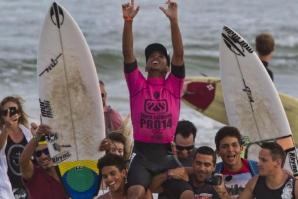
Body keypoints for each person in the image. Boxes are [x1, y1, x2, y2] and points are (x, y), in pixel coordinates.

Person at [122, 0, 194, 198]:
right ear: (145, 66)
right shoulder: (137, 85)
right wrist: (128, 20)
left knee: (187, 195)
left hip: (166, 155)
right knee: (135, 192)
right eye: (152, 55)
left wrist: (174, 21)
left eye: (161, 56)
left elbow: (179, 53)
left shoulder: (174, 85)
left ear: (168, 67)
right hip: (142, 154)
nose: (156, 56)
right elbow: (128, 54)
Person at [214, 142, 298, 199]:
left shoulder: (295, 185)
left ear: (277, 163)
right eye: (259, 159)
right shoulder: (255, 182)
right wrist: (222, 191)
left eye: (264, 160)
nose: (258, 164)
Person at [19, 124, 69, 199]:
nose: (43, 156)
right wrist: (37, 135)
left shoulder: (67, 172)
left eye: (47, 151)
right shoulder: (34, 176)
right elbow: (23, 162)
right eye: (38, 153)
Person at [0, 95, 35, 199]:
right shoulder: (2, 133)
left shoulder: (27, 133)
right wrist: (7, 128)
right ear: (2, 115)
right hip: (8, 187)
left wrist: (36, 137)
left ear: (19, 113)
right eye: (5, 112)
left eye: (12, 111)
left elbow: (36, 157)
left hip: (28, 186)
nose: (9, 114)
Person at [213, 126, 258, 197]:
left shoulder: (257, 169)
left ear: (241, 149)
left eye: (234, 145)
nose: (230, 150)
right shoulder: (213, 172)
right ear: (218, 152)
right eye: (225, 146)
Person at [158, 120, 197, 198]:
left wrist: (177, 170)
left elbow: (207, 172)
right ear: (172, 141)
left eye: (189, 147)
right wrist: (170, 172)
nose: (184, 152)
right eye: (180, 147)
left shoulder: (199, 156)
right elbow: (151, 185)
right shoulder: (162, 156)